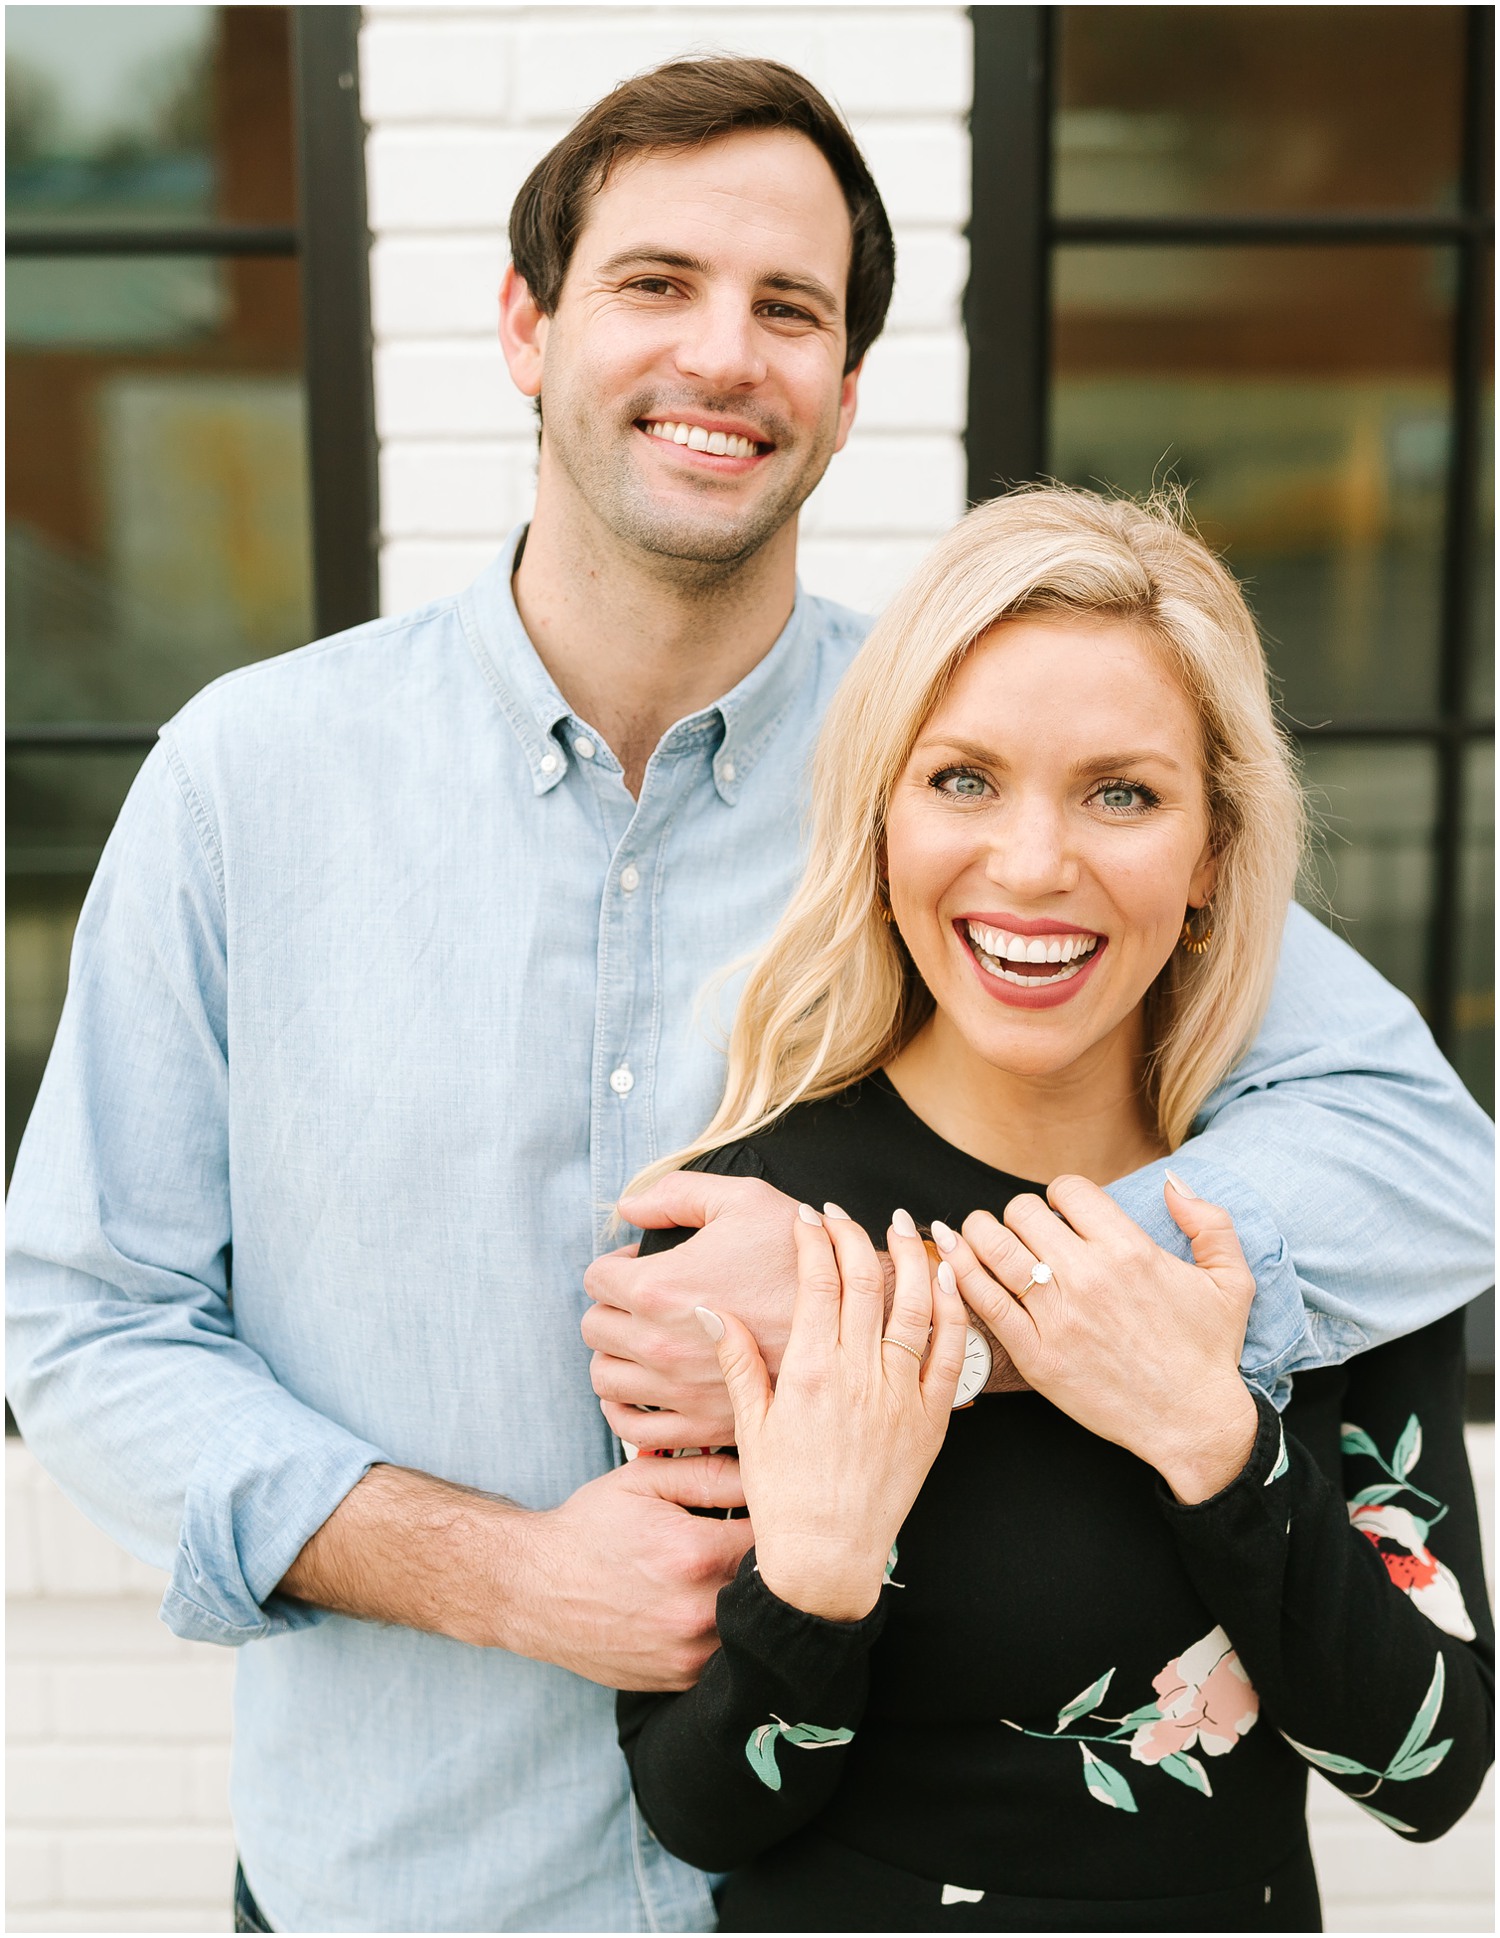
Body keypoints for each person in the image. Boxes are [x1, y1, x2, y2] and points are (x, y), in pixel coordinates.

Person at [2, 55, 1491, 1936]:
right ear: (528, 325)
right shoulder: (249, 783)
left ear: (850, 391)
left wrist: (918, 1303)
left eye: (789, 309)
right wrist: (509, 1576)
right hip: (408, 1889)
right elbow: (88, 1325)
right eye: (657, 284)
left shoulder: (962, 780)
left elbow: (1428, 1162)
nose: (725, 353)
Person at [615, 487, 1495, 1932]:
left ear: (1213, 856)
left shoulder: (1308, 1218)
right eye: (963, 779)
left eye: (1122, 792)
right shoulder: (751, 1232)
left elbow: (1430, 1769)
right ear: (880, 812)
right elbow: (695, 1805)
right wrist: (817, 1583)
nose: (1033, 864)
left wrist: (1215, 1440)